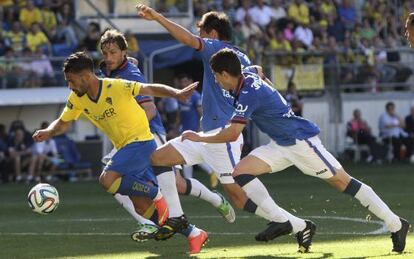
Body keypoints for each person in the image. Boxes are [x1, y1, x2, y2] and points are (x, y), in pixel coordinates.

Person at [181, 48, 410, 254]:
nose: (215, 81)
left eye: (215, 75)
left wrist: (198, 136)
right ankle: (287, 222)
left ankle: (396, 224)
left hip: (300, 141)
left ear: (224, 74)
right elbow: (258, 69)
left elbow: (232, 133)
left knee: (343, 182)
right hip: (280, 144)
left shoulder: (248, 93)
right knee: (240, 172)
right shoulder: (247, 76)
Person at [136, 5, 313, 251]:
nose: (201, 37)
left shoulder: (216, 49)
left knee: (240, 197)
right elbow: (262, 81)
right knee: (158, 158)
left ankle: (295, 224)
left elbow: (188, 40)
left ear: (213, 34)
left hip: (222, 137)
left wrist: (157, 17)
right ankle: (177, 216)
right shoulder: (243, 58)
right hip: (204, 135)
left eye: (203, 32)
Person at [32, 51, 198, 240]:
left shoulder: (115, 86)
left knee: (107, 179)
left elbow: (148, 88)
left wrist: (176, 93)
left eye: (71, 80)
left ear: (86, 76)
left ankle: (155, 193)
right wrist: (49, 132)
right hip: (124, 148)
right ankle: (193, 233)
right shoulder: (77, 98)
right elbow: (62, 122)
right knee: (141, 206)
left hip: (141, 141)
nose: (70, 86)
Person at [98, 29, 224, 253]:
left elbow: (150, 109)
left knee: (173, 184)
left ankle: (214, 200)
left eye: (113, 53)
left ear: (123, 52)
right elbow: (128, 63)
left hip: (147, 134)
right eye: (105, 53)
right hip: (128, 137)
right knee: (122, 185)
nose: (108, 57)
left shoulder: (131, 76)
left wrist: (129, 133)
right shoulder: (110, 69)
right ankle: (183, 229)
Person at [175, 73, 218, 188]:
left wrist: (201, 128)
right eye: (182, 82)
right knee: (189, 155)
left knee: (187, 155)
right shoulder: (181, 96)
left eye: (185, 81)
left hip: (194, 131)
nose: (183, 84)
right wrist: (176, 127)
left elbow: (201, 112)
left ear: (190, 82)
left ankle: (193, 180)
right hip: (184, 131)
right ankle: (196, 179)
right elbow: (180, 114)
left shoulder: (195, 96)